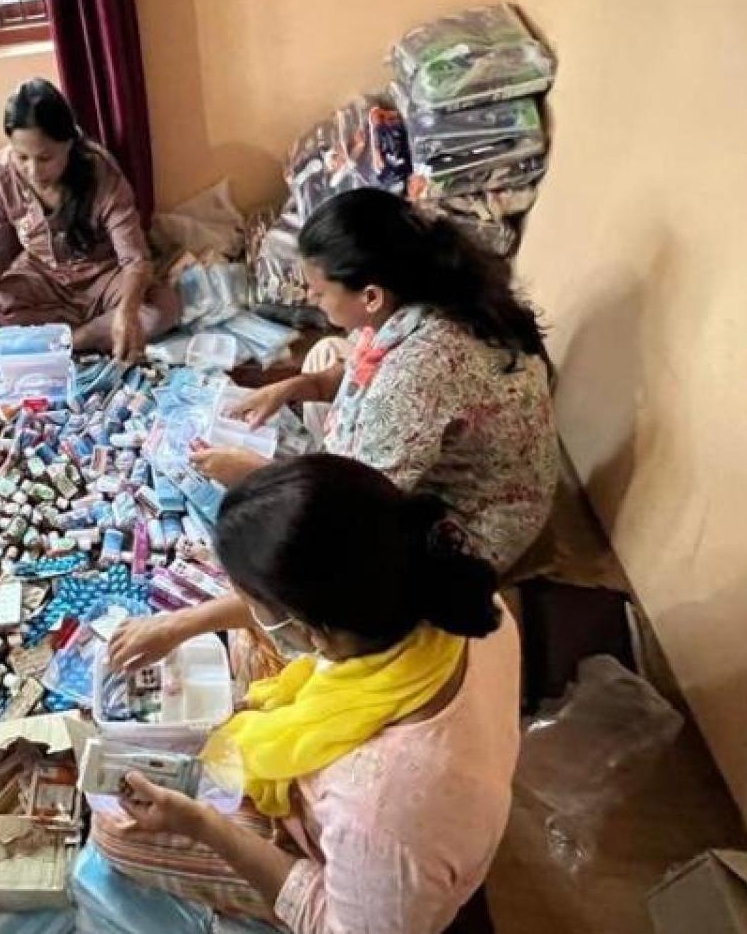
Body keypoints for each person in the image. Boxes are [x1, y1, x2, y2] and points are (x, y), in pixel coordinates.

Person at [93, 456, 520, 934]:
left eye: (255, 601)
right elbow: (287, 615)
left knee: (115, 833)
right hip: (422, 799)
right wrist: (181, 624)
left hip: (390, 851)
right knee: (246, 674)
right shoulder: (452, 590)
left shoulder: (378, 802)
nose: (248, 609)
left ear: (317, 630)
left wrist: (204, 826)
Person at [111, 188, 557, 675]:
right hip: (463, 461)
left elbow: (339, 530)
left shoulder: (419, 370)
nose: (309, 298)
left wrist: (255, 478)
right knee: (326, 354)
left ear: (370, 295)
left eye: (319, 291)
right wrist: (294, 387)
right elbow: (360, 369)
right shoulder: (423, 296)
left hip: (483, 522)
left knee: (303, 585)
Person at [0, 79, 179, 362]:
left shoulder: (100, 172)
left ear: (68, 143)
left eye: (45, 158)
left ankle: (69, 341)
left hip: (102, 277)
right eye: (22, 157)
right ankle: (80, 336)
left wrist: (126, 313)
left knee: (161, 309)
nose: (32, 171)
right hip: (41, 278)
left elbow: (135, 259)